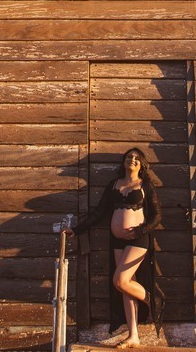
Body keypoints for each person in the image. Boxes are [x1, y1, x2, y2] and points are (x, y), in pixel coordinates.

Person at [67, 147, 165, 347]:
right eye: (129, 157)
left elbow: (157, 216)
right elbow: (99, 212)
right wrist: (76, 230)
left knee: (120, 281)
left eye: (137, 158)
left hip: (138, 240)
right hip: (118, 242)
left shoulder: (145, 185)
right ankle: (133, 335)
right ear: (124, 161)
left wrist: (140, 231)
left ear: (142, 165)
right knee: (126, 288)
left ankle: (154, 300)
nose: (133, 160)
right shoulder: (114, 185)